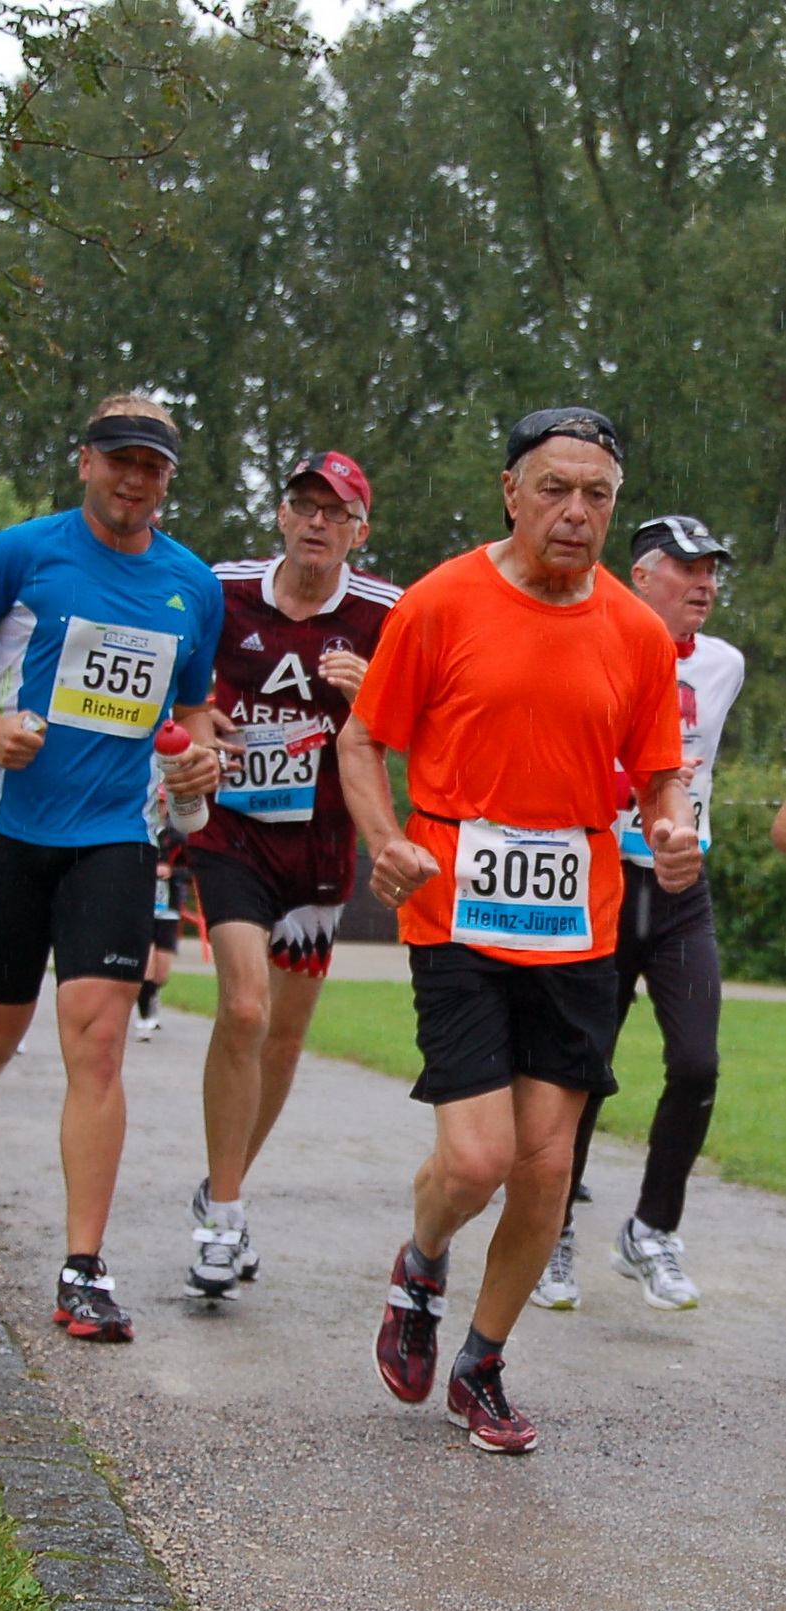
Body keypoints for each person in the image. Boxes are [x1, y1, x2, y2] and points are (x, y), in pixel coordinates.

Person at [337, 406, 700, 1454]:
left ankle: (483, 1362)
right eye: (554, 489)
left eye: (596, 495)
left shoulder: (634, 629)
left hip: (576, 926)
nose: (575, 513)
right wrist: (383, 839)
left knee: (546, 1167)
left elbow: (658, 772)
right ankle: (421, 1261)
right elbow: (364, 743)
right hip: (454, 908)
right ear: (510, 492)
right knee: (478, 1159)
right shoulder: (441, 603)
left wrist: (668, 829)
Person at [0, 394, 223, 1344]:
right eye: (119, 458)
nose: (134, 478)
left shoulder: (189, 586)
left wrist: (198, 756)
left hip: (114, 837)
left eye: (152, 465)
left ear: (167, 480)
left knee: (97, 1041)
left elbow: (193, 711)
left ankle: (84, 1268)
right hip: (6, 832)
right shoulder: (24, 552)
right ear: (85, 462)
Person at [180, 450, 401, 1298]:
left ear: (358, 531)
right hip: (230, 830)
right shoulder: (219, 587)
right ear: (280, 515)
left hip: (320, 845)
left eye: (335, 511)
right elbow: (176, 686)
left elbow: (434, 725)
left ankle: (219, 1181)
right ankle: (224, 1218)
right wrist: (200, 722)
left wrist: (376, 692)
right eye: (304, 506)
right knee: (242, 1007)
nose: (317, 522)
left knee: (283, 1036)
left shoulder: (387, 611)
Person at [532, 514, 744, 1313]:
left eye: (711, 572)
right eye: (689, 570)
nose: (705, 586)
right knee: (582, 1070)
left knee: (696, 1063)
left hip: (682, 887)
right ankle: (550, 1228)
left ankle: (650, 1230)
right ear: (641, 574)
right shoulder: (590, 642)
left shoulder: (723, 665)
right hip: (601, 882)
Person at [134, 812, 189, 1040]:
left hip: (168, 909)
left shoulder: (177, 837)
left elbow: (192, 870)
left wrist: (172, 871)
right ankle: (144, 1019)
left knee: (161, 972)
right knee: (146, 967)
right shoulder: (137, 830)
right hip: (143, 909)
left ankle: (153, 998)